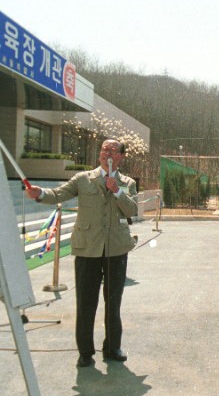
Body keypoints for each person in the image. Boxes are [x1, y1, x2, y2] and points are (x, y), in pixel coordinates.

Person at [25, 138, 137, 367]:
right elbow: (58, 194)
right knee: (86, 302)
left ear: (121, 157)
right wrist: (39, 193)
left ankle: (112, 347)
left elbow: (132, 209)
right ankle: (85, 352)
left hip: (115, 248)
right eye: (104, 149)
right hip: (88, 247)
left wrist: (116, 191)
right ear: (99, 155)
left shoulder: (127, 182)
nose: (107, 153)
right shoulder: (83, 179)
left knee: (113, 301)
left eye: (113, 150)